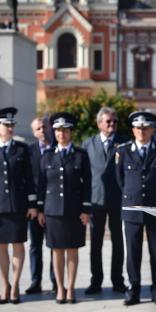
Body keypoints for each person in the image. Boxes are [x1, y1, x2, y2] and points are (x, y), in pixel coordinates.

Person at [115, 111, 156, 306]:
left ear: (152, 130)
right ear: (133, 130)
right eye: (138, 128)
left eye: (146, 128)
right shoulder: (123, 151)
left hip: (155, 208)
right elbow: (120, 179)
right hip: (131, 208)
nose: (142, 131)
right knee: (132, 252)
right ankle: (134, 289)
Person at [37, 112, 91, 304]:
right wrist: (41, 209)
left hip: (74, 211)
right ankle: (60, 288)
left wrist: (86, 210)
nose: (62, 134)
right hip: (52, 212)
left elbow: (87, 184)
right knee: (57, 251)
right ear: (54, 133)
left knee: (73, 250)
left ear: (71, 132)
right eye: (58, 131)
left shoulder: (81, 155)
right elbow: (41, 185)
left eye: (65, 130)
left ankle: (71, 288)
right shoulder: (47, 156)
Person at [82, 107, 126, 294]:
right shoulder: (88, 144)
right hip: (96, 200)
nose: (112, 124)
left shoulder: (124, 143)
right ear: (99, 123)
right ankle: (96, 280)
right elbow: (83, 174)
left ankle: (118, 280)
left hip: (117, 200)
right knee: (96, 243)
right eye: (108, 121)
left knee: (118, 242)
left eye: (114, 121)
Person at [0, 107, 37, 304]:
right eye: (6, 125)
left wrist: (32, 205)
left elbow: (29, 179)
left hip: (17, 206)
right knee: (1, 248)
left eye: (12, 125)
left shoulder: (22, 149)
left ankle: (15, 287)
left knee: (18, 246)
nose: (10, 128)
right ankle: (4, 284)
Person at [26, 117, 56, 294]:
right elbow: (27, 181)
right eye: (38, 128)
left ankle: (55, 281)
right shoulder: (28, 151)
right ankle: (35, 281)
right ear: (33, 132)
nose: (42, 131)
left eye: (45, 127)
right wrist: (34, 206)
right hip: (34, 208)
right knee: (35, 245)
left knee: (54, 245)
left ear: (50, 128)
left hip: (54, 206)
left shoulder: (58, 149)